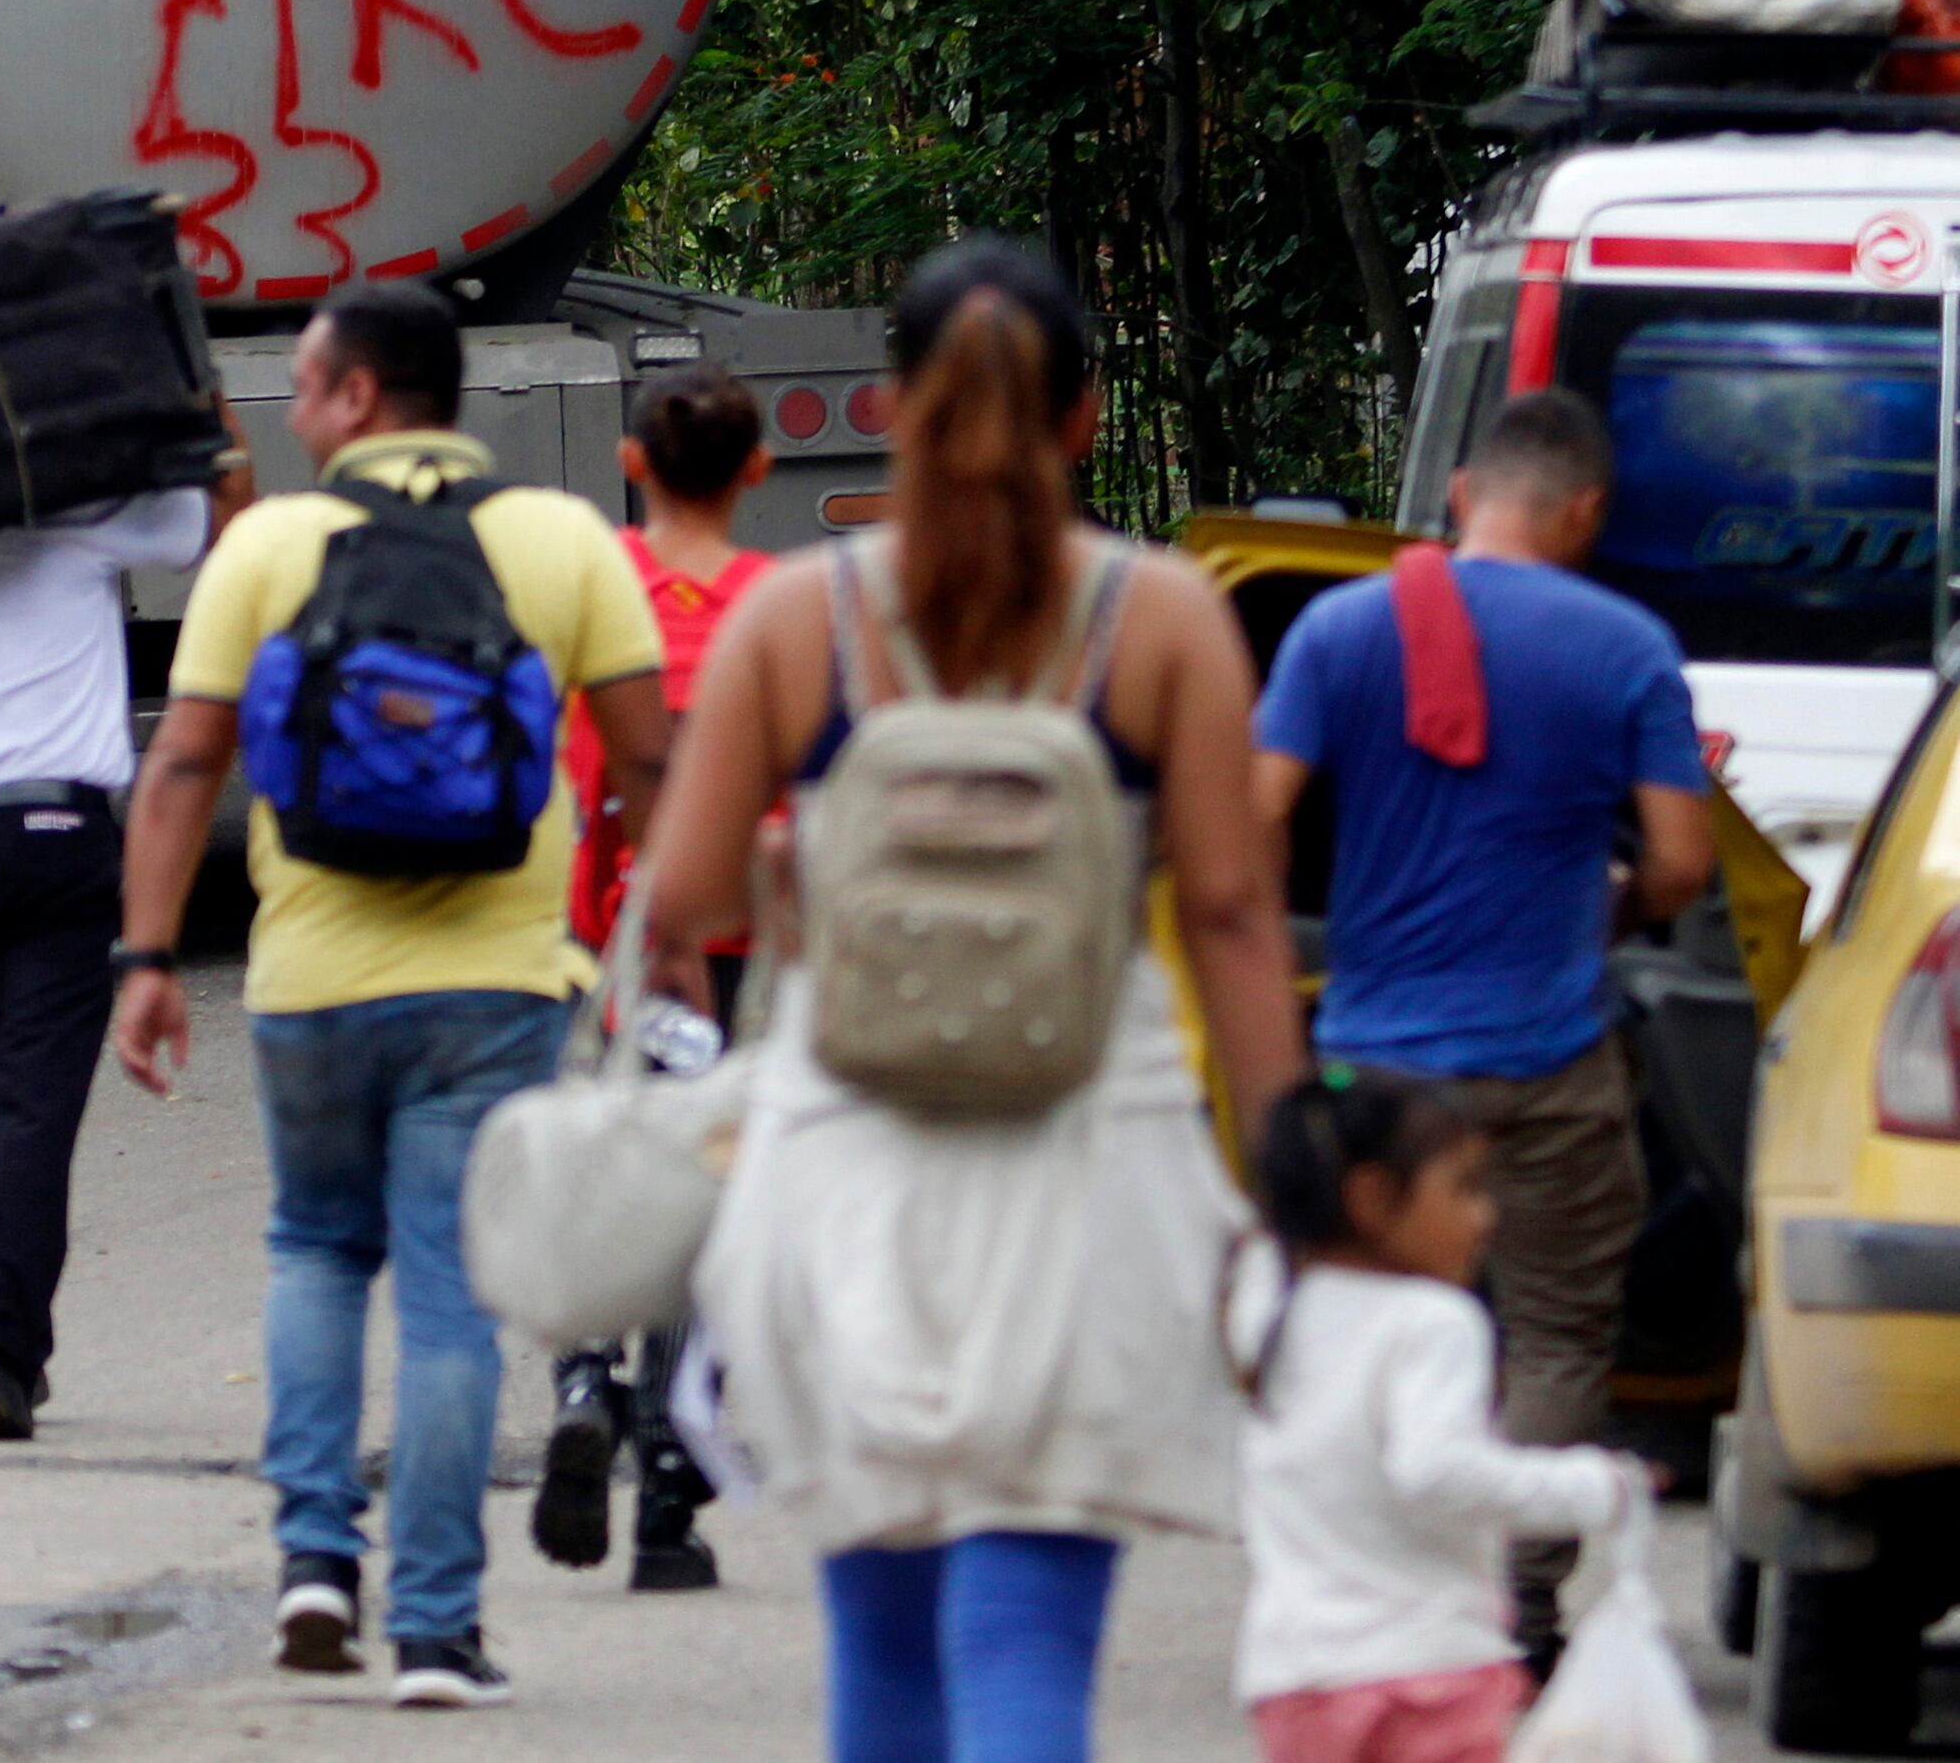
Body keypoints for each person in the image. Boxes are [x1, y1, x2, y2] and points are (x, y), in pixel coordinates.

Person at [637, 238, 1304, 1763]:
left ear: (891, 404)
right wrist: (1284, 1183)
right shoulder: (1159, 620)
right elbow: (1225, 912)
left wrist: (798, 868)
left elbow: (682, 900)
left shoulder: (795, 621)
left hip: (848, 1164)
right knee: (1025, 1646)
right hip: (1089, 1166)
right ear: (1079, 417)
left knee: (879, 1645)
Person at [111, 282, 674, 1710]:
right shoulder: (559, 541)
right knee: (446, 1303)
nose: (290, 416)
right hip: (494, 983)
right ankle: (432, 1627)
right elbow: (648, 766)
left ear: (359, 398)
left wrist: (144, 957)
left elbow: (182, 762)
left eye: (303, 389)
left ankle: (311, 1560)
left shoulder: (266, 549)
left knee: (310, 1250)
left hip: (307, 980)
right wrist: (660, 937)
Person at [1251, 385, 1711, 1665]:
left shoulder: (1344, 626)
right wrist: (1606, 911)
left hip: (1380, 1068)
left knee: (1359, 1324)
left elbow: (1251, 811)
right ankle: (1521, 1599)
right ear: (1587, 510)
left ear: (1460, 497)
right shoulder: (1627, 644)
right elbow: (1680, 862)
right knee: (1557, 1329)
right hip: (1553, 1059)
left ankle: (1378, 1585)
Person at [0, 185, 252, 1443]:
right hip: (55, 845)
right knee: (32, 1109)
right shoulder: (90, 508)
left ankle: (0, 1321)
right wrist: (189, 365)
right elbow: (231, 527)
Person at [533, 360, 771, 1591]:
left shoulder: (604, 587)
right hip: (731, 949)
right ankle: (672, 1506)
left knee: (602, 1172)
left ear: (631, 463)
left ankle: (583, 1375)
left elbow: (591, 770)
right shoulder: (776, 604)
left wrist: (585, 934)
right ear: (757, 469)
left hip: (617, 934)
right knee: (703, 1208)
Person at [1230, 1067, 1639, 1763]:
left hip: (1294, 1681)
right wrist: (1593, 1488)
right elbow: (1435, 1472)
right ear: (1369, 1198)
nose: (1484, 1216)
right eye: (1463, 1187)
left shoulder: (1267, 1304)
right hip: (1425, 1675)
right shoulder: (1432, 1322)